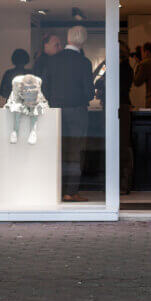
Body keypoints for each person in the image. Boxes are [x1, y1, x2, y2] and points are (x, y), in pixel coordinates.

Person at [43, 26, 94, 202]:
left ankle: (53, 190)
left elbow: (45, 88)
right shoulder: (84, 62)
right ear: (84, 41)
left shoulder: (52, 60)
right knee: (75, 151)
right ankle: (70, 192)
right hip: (77, 111)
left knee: (56, 149)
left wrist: (54, 101)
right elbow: (89, 93)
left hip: (55, 110)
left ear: (68, 38)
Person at [118, 41, 134, 195]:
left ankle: (124, 183)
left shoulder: (123, 69)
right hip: (122, 106)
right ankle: (123, 183)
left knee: (122, 145)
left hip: (121, 107)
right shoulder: (126, 68)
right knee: (122, 145)